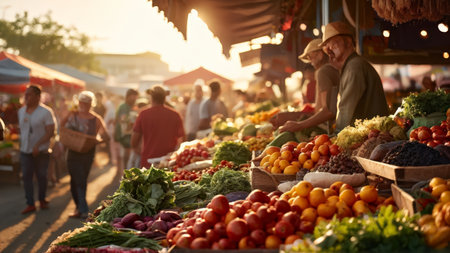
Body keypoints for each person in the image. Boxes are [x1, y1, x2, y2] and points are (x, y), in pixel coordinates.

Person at [320, 21, 389, 132]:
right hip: (368, 135)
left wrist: (338, 136)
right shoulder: (350, 66)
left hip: (371, 136)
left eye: (333, 44)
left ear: (348, 42)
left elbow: (346, 109)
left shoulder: (354, 67)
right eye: (325, 47)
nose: (329, 50)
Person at [61, 91, 109, 218]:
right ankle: (80, 208)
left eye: (86, 103)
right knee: (74, 181)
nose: (83, 105)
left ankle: (82, 209)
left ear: (90, 104)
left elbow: (106, 136)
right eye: (82, 102)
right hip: (72, 152)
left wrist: (95, 141)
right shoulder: (73, 115)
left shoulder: (96, 119)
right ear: (78, 102)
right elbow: (62, 126)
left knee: (81, 179)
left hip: (87, 153)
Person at [279, 39, 340, 134]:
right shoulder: (331, 69)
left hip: (333, 127)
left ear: (320, 55)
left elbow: (328, 110)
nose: (310, 61)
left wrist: (299, 125)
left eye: (310, 57)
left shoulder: (323, 71)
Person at [18, 85, 56, 214]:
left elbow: (50, 131)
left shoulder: (46, 112)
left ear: (38, 97)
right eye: (26, 94)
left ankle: (42, 199)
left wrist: (38, 145)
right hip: (25, 150)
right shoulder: (21, 111)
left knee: (41, 176)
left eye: (29, 94)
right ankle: (30, 203)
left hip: (41, 151)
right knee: (27, 177)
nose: (26, 97)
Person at [131, 85, 185, 168]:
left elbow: (134, 142)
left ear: (151, 97)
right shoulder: (175, 115)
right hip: (168, 162)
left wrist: (142, 153)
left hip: (148, 162)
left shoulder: (143, 114)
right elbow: (183, 140)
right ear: (164, 98)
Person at [114, 89, 138, 172]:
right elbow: (122, 121)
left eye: (135, 97)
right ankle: (125, 171)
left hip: (131, 133)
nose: (134, 99)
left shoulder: (134, 107)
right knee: (126, 153)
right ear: (128, 97)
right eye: (132, 97)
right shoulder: (123, 107)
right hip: (124, 134)